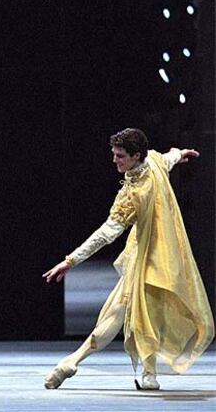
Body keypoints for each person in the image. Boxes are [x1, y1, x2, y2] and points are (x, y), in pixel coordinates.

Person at [43, 128, 214, 390]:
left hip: (158, 258)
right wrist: (180, 154)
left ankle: (138, 370)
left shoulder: (133, 192)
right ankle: (81, 362)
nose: (115, 160)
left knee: (142, 313)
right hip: (148, 257)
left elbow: (106, 234)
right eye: (114, 154)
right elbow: (168, 157)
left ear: (136, 156)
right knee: (125, 311)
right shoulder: (153, 161)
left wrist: (70, 261)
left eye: (120, 156)